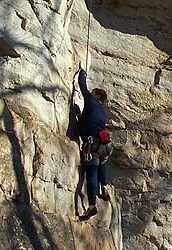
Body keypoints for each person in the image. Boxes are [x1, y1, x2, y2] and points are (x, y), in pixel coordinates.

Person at [77, 68, 112, 221]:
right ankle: (104, 188)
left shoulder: (91, 101)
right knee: (102, 164)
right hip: (106, 144)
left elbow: (82, 86)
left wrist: (82, 74)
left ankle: (91, 206)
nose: (90, 94)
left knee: (91, 174)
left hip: (93, 143)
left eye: (93, 92)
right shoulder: (102, 112)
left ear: (97, 95)